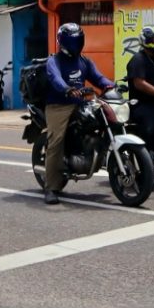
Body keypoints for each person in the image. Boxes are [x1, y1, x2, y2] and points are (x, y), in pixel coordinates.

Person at [40, 23, 114, 205]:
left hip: (82, 102)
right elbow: (55, 79)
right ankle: (51, 187)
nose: (76, 44)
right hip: (59, 105)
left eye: (78, 40)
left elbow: (97, 77)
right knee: (56, 142)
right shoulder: (53, 61)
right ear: (63, 42)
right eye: (73, 41)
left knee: (107, 118)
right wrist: (67, 89)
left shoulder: (84, 61)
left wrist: (109, 84)